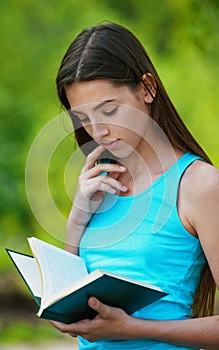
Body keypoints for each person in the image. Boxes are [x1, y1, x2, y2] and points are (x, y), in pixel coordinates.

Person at [51, 22, 219, 349]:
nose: (97, 131)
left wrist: (132, 328)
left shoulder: (200, 185)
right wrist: (77, 218)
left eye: (109, 109)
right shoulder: (101, 184)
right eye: (83, 118)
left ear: (147, 88)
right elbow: (65, 300)